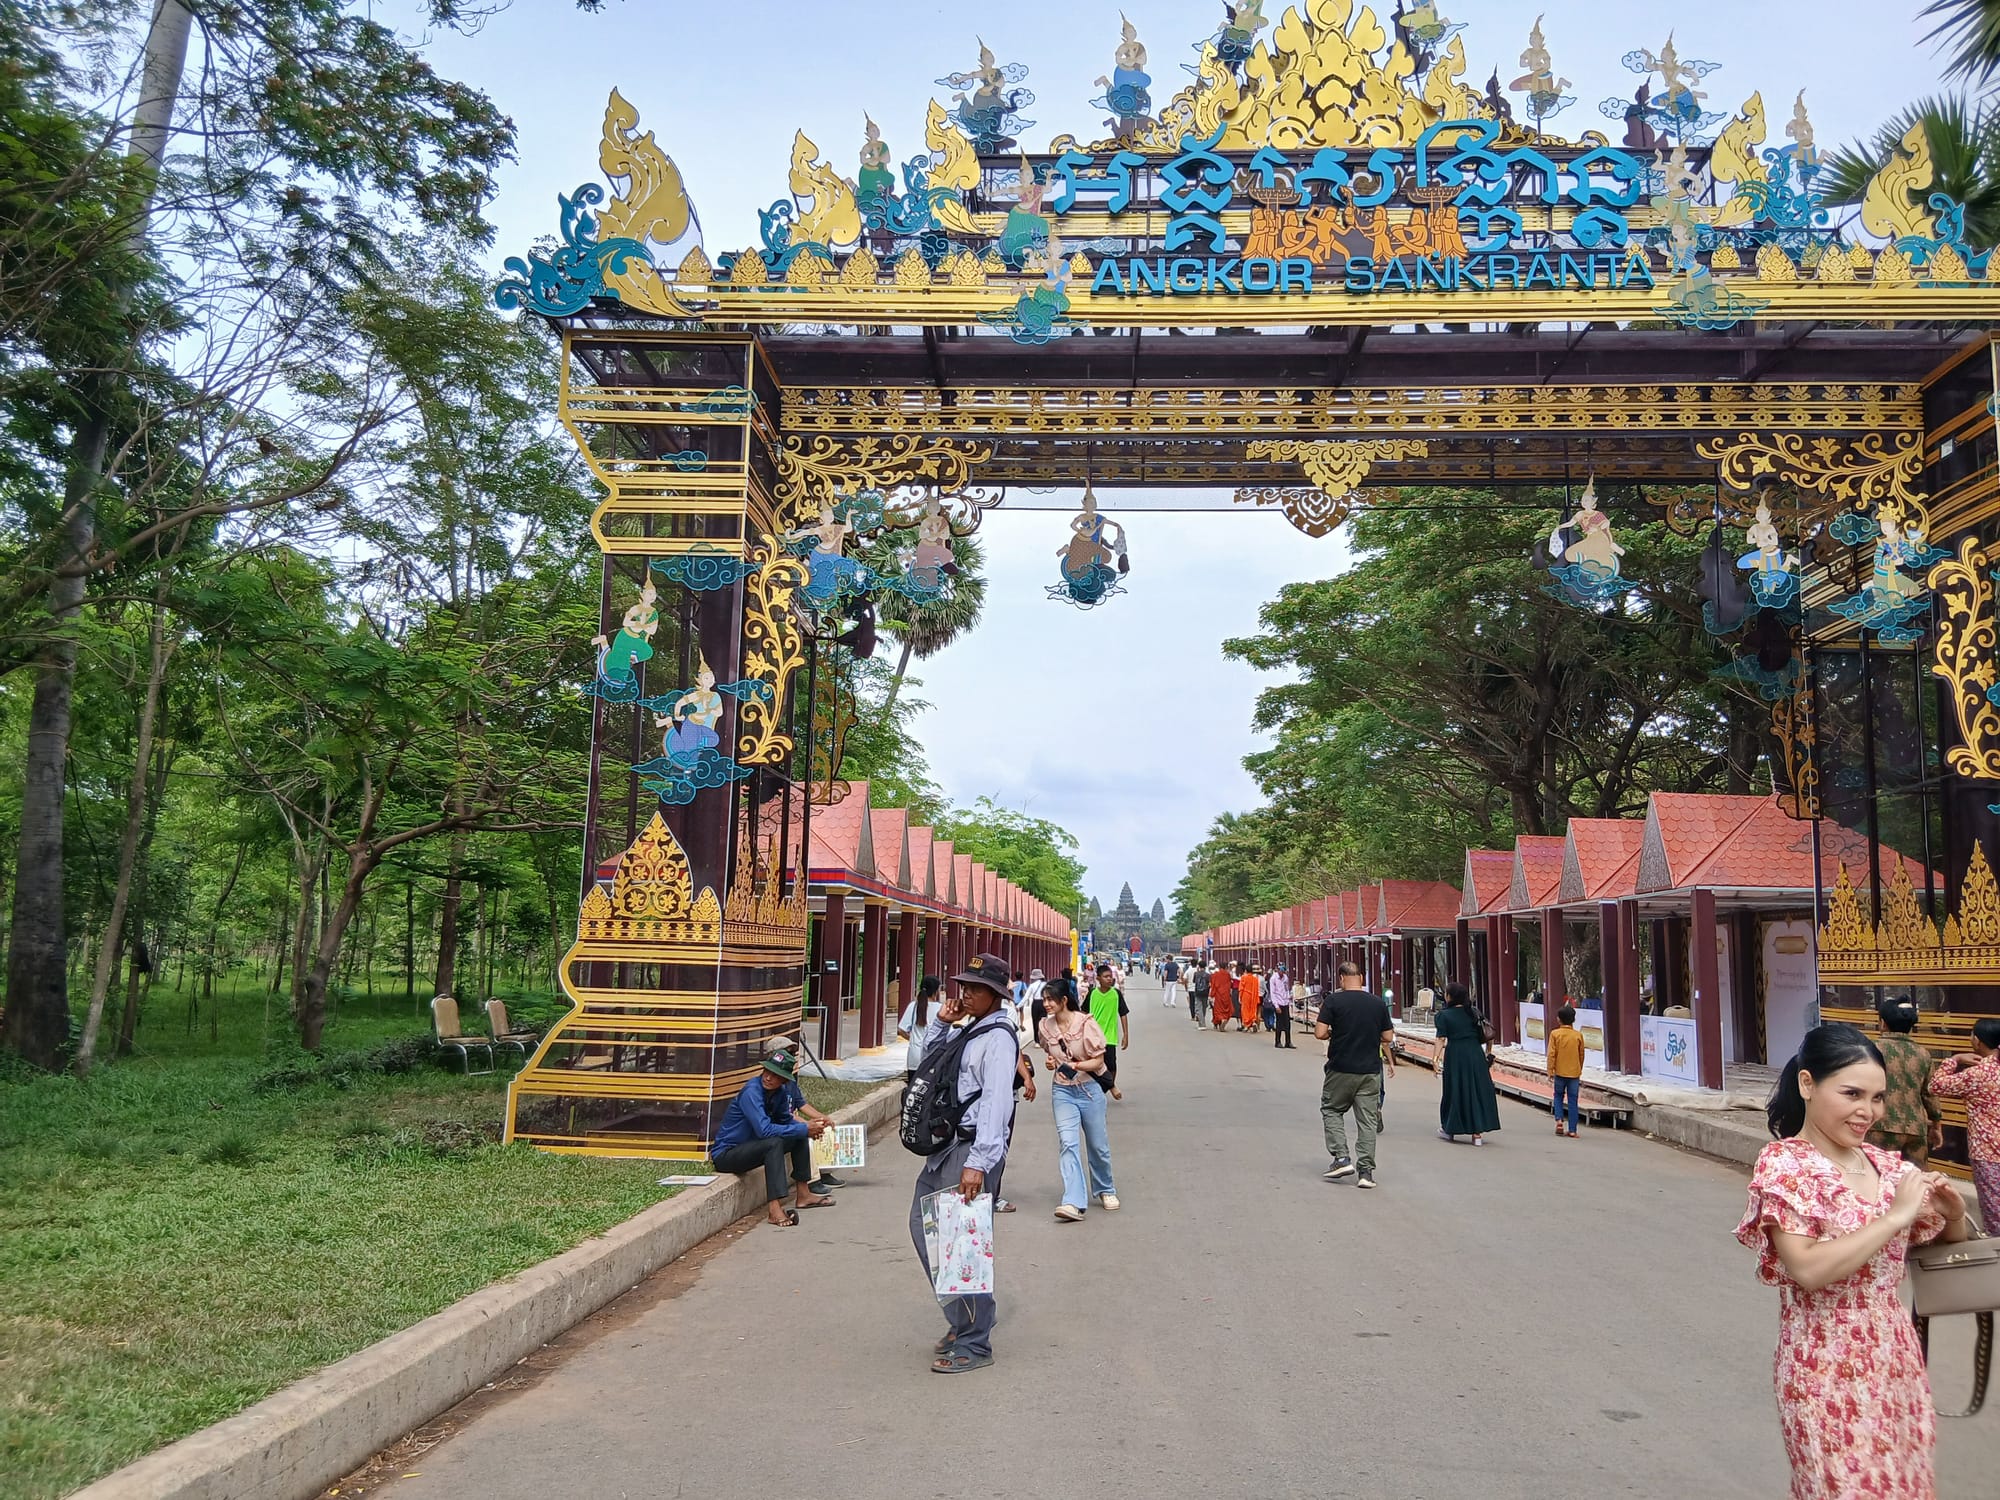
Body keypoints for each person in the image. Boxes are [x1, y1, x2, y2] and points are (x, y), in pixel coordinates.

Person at [1735, 1023, 1971, 1499]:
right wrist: (1894, 1217)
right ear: (1807, 1084)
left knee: (1902, 1486)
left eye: (1878, 1097)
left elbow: (1943, 1251)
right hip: (1822, 1362)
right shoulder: (1785, 1165)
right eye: (1852, 1094)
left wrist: (1955, 1215)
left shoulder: (1890, 1167)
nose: (1868, 1111)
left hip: (1895, 1359)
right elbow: (1807, 1268)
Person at [909, 954, 1021, 1375]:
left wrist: (979, 1162)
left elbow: (997, 1102)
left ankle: (975, 1339)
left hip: (971, 1151)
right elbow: (926, 1064)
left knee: (960, 1242)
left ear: (996, 995)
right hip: (947, 1148)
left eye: (976, 988)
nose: (966, 993)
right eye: (964, 985)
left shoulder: (999, 1038)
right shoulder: (970, 1030)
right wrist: (940, 1022)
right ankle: (963, 1320)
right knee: (925, 1229)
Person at [710, 1050, 836, 1226]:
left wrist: (811, 1128)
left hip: (755, 1147)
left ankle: (804, 1194)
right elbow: (764, 1131)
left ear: (783, 1080)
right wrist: (804, 1128)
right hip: (728, 1154)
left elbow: (786, 1121)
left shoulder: (781, 1093)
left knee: (798, 1136)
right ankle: (774, 1209)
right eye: (766, 1072)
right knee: (776, 1142)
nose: (768, 1078)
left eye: (775, 1075)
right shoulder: (751, 1092)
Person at [1038, 976, 1118, 1221]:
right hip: (1062, 1091)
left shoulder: (1085, 1023)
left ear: (1064, 1000)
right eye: (1044, 999)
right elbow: (1047, 1052)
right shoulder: (1044, 1026)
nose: (1047, 1004)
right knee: (1068, 1143)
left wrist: (1076, 1064)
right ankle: (1073, 1201)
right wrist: (1051, 1062)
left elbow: (1099, 1061)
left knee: (1098, 1145)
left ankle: (1105, 1188)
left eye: (1051, 999)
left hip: (1089, 1089)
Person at [1316, 960, 1393, 1189]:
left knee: (1331, 1109)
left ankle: (1341, 1157)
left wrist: (1335, 1032)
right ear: (1361, 978)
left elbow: (1320, 1033)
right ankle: (1366, 1172)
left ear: (1341, 978)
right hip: (1369, 1071)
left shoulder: (1333, 1001)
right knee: (1367, 1121)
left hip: (1341, 1068)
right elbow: (1388, 1037)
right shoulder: (1377, 1003)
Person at [1929, 1015, 2000, 1232]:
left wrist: (1955, 1059)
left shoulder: (1977, 1074)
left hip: (1987, 1153)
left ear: (1977, 1041)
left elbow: (1935, 1085)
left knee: (1995, 1211)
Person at [1867, 996, 1940, 1164]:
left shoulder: (1870, 1050)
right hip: (1915, 1129)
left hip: (1879, 1126)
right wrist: (1936, 1126)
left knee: (1880, 1177)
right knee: (1915, 1181)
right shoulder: (1923, 1054)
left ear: (1883, 1023)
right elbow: (1930, 1094)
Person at [1436, 983, 1501, 1145]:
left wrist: (1435, 1058)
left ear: (1449, 997)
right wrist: (1488, 1052)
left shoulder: (1444, 1015)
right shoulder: (1473, 1012)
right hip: (1475, 1054)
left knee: (1455, 1090)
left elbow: (1441, 1038)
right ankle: (1477, 1133)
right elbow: (1489, 1033)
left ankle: (1449, 1129)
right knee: (1477, 1089)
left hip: (1455, 1055)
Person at [1086, 962, 1130, 1100]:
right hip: (1093, 1037)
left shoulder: (1116, 994)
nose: (1109, 979)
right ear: (1098, 978)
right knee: (1093, 1065)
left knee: (1111, 1065)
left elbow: (1123, 1013)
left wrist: (1125, 1035)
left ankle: (1107, 1087)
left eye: (1110, 976)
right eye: (1106, 977)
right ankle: (1104, 1088)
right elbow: (1083, 1012)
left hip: (1110, 1037)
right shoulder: (1092, 993)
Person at [897, 976, 942, 1089]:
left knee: (913, 1090)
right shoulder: (941, 1009)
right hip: (933, 1057)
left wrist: (912, 1039)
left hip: (914, 1056)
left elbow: (901, 1030)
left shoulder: (913, 1006)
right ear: (936, 991)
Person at [1547, 1003, 1585, 1137]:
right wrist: (1579, 1067)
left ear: (1558, 1019)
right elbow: (1581, 1054)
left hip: (1560, 1071)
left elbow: (1552, 1053)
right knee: (1573, 1100)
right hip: (1574, 1072)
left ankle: (1559, 1120)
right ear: (1573, 1020)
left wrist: (1550, 1070)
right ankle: (1573, 1130)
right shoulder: (1578, 1035)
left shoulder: (1555, 1034)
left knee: (1558, 1096)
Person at [1267, 965, 1294, 1049]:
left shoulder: (1285, 978)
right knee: (1279, 1023)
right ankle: (1277, 1041)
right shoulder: (1273, 979)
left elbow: (1286, 989)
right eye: (1281, 971)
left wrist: (1289, 998)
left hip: (1285, 1002)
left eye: (1283, 971)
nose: (1282, 973)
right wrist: (1276, 1005)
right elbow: (1273, 993)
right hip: (1278, 1003)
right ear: (1277, 970)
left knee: (1287, 1023)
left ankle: (1288, 1042)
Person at [1209, 962, 1236, 1031]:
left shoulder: (1215, 974)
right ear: (1226, 967)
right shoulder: (1228, 975)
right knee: (1227, 1009)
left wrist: (1212, 994)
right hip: (1226, 994)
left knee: (1217, 1010)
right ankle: (1224, 1020)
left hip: (1218, 994)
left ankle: (1221, 1019)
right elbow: (1230, 984)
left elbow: (1213, 985)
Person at [1238, 963, 1262, 1035]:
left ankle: (1247, 1025)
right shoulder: (1255, 979)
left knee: (1245, 1010)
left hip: (1246, 995)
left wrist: (1240, 997)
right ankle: (1253, 1021)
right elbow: (1257, 989)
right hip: (1254, 995)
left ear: (1246, 970)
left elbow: (1241, 988)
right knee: (1253, 1010)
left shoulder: (1243, 977)